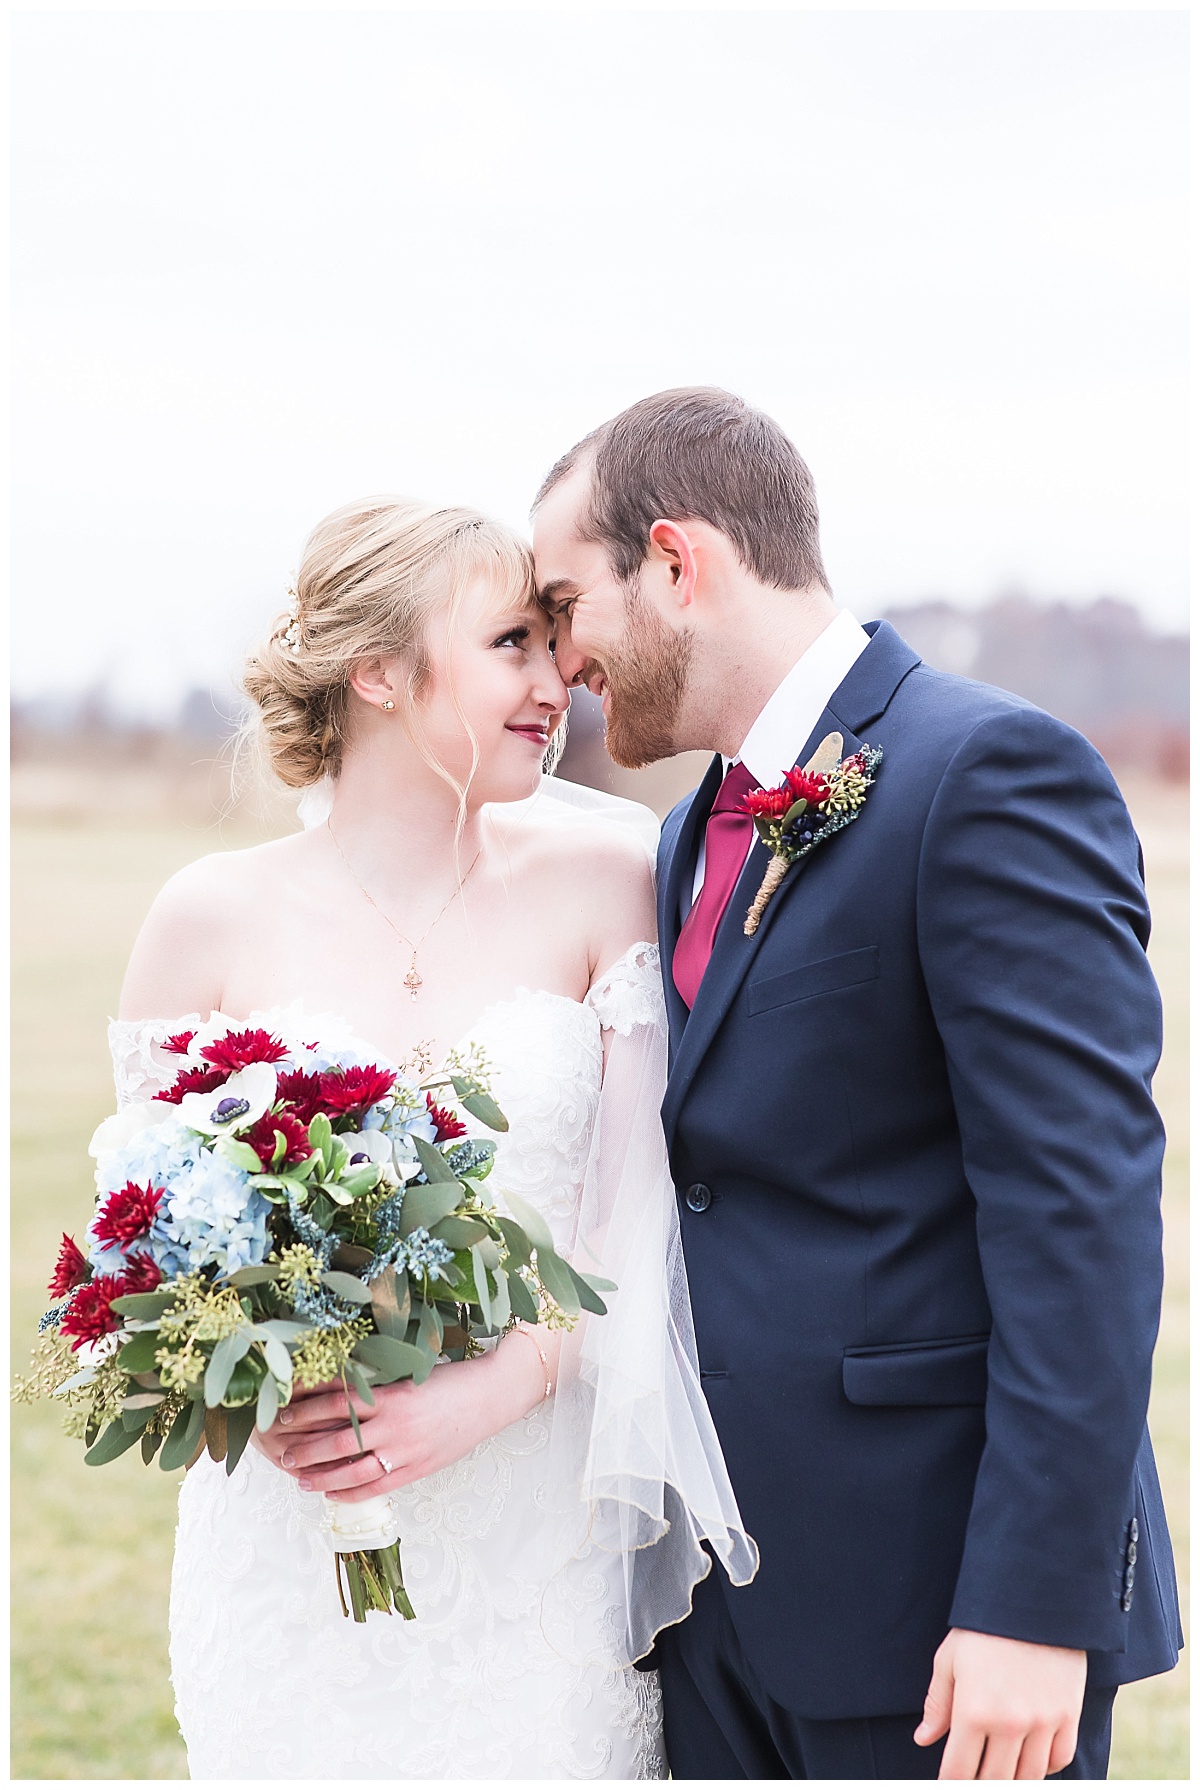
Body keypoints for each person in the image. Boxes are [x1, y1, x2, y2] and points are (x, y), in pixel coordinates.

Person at [532, 387, 1182, 1781]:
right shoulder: (686, 832)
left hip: (943, 1626)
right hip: (714, 1620)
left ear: (676, 562)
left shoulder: (987, 773)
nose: (560, 654)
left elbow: (1083, 1217)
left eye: (569, 601)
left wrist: (1032, 1604)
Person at [112, 496, 756, 1779]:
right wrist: (265, 1376)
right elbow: (155, 1244)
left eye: (553, 642)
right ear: (380, 671)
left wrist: (497, 1383)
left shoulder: (606, 876)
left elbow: (636, 1229)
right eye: (511, 642)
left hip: (536, 1566)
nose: (559, 678)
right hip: (293, 1559)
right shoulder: (207, 916)